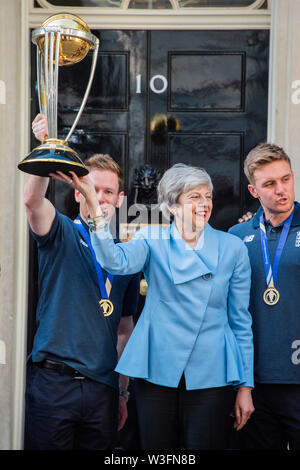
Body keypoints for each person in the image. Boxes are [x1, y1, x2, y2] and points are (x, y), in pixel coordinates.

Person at [68, 162, 255, 450]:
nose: (204, 203)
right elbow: (113, 261)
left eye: (207, 196)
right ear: (172, 206)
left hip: (211, 372)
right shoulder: (151, 239)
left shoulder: (233, 248)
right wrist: (95, 209)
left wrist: (245, 386)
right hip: (157, 368)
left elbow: (240, 322)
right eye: (194, 197)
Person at [24, 114, 140, 450]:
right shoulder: (61, 231)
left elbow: (123, 329)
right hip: (53, 383)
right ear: (77, 193)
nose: (99, 197)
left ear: (120, 199)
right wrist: (46, 148)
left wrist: (121, 391)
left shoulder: (126, 257)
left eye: (108, 191)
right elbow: (33, 203)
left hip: (102, 389)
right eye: (92, 189)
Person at [229, 142, 300, 450]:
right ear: (253, 191)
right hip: (253, 384)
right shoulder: (236, 238)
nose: (281, 189)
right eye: (269, 184)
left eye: (286, 179)